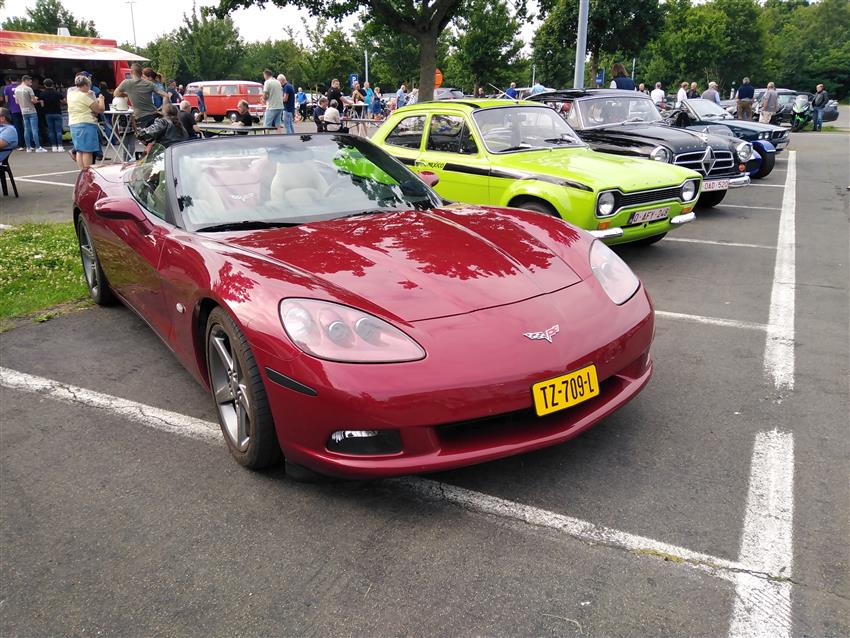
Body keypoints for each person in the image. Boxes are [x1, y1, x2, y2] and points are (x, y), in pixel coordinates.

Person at [67, 74, 105, 169]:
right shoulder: (84, 96)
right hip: (86, 123)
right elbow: (100, 109)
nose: (89, 88)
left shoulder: (70, 94)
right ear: (84, 85)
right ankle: (88, 172)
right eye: (88, 86)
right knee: (88, 151)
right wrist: (101, 100)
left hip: (73, 124)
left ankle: (82, 172)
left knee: (79, 150)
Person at [115, 63, 169, 129]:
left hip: (141, 119)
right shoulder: (149, 83)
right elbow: (166, 96)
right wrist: (164, 112)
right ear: (141, 73)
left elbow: (115, 94)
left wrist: (128, 94)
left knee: (143, 134)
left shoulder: (126, 83)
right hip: (154, 115)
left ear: (131, 72)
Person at [14, 76, 45, 152]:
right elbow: (34, 101)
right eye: (30, 81)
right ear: (25, 80)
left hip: (23, 111)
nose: (31, 83)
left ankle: (28, 147)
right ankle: (38, 147)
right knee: (34, 129)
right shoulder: (29, 89)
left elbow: (17, 102)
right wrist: (37, 100)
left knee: (26, 129)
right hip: (31, 111)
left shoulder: (16, 89)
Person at [39, 79, 65, 152]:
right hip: (57, 113)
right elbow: (64, 101)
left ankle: (54, 146)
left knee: (51, 131)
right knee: (58, 130)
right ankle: (60, 146)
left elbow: (42, 104)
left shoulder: (42, 94)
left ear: (44, 85)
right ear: (52, 84)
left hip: (48, 114)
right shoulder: (57, 93)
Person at [3, 78, 24, 149]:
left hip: (14, 109)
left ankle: (20, 144)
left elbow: (6, 100)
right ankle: (28, 143)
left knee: (17, 127)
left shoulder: (7, 88)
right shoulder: (21, 87)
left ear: (10, 80)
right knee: (25, 126)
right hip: (23, 109)